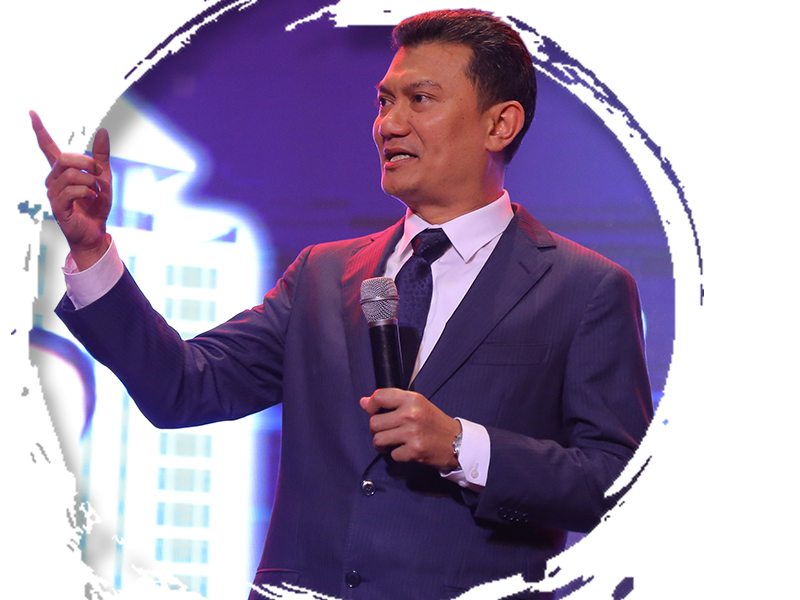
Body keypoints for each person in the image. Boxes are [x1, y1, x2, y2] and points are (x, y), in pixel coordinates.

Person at [30, 8, 653, 599]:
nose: (389, 124)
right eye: (384, 101)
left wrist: (463, 446)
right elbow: (184, 387)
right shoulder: (324, 276)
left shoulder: (583, 288)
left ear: (500, 124)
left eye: (420, 99)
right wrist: (92, 249)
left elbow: (613, 482)